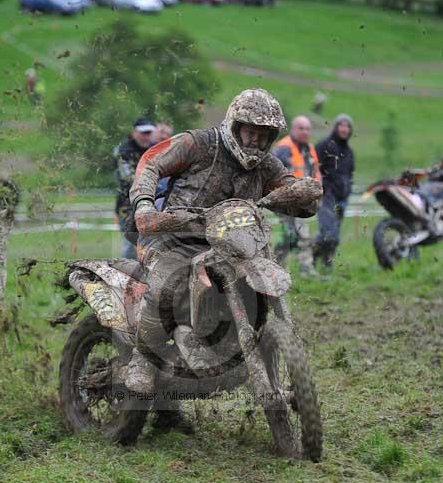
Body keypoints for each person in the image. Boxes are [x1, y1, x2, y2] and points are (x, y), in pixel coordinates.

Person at [125, 89, 322, 413]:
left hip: (234, 245)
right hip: (174, 238)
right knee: (166, 285)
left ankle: (251, 350)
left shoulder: (266, 166)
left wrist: (302, 194)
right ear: (235, 126)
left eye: (263, 136)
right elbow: (151, 162)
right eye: (250, 133)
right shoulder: (199, 144)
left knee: (263, 275)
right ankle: (143, 361)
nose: (254, 142)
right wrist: (144, 204)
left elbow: (292, 189)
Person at [272, 114, 321, 276]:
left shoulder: (309, 148)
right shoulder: (282, 148)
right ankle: (278, 268)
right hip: (284, 200)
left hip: (303, 201)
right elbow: (270, 174)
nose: (305, 132)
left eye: (307, 129)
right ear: (293, 129)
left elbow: (315, 172)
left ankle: (303, 268)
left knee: (300, 235)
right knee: (292, 236)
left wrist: (318, 191)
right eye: (301, 128)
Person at [314, 113, 355, 268]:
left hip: (342, 198)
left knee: (334, 236)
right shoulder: (324, 145)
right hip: (326, 196)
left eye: (348, 126)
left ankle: (326, 262)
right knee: (328, 233)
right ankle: (311, 255)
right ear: (336, 127)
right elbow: (313, 167)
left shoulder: (349, 152)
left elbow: (350, 174)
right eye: (341, 125)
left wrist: (348, 189)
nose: (344, 129)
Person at [113, 116, 156, 259]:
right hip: (127, 205)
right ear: (134, 133)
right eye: (143, 133)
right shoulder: (123, 151)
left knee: (152, 244)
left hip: (152, 202)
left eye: (148, 133)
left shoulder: (155, 149)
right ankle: (128, 275)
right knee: (130, 244)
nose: (146, 136)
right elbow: (129, 178)